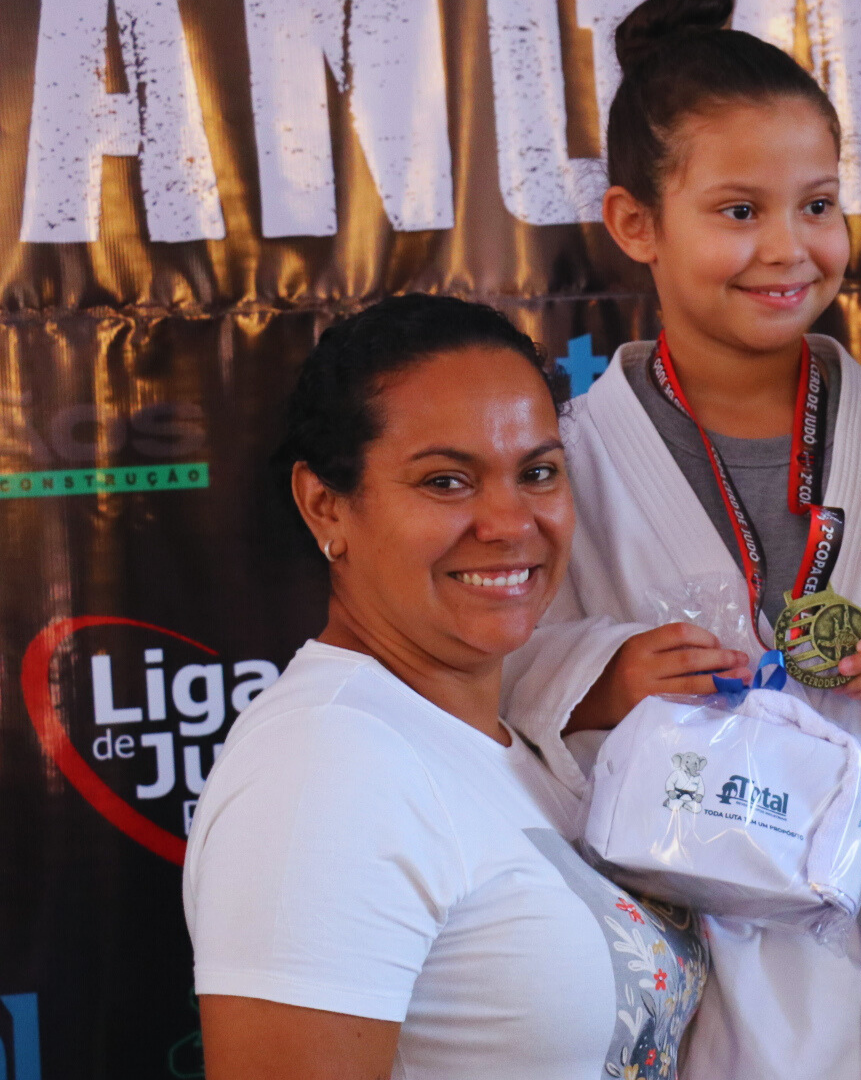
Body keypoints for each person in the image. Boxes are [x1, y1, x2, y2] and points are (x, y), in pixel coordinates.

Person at [499, 3, 861, 1078]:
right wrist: (603, 681)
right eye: (739, 210)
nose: (788, 248)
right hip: (685, 948)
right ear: (636, 223)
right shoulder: (572, 460)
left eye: (817, 204)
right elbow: (496, 671)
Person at [184, 295, 708, 1080]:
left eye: (537, 472)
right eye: (446, 481)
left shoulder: (495, 742)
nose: (510, 522)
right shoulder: (322, 768)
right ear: (325, 506)